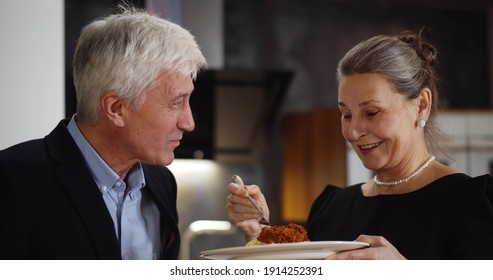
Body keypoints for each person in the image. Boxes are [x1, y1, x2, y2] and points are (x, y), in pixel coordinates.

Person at [226, 29, 493, 259]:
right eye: (346, 114)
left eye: (372, 112)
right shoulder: (332, 207)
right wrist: (261, 236)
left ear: (421, 105)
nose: (353, 131)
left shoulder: (471, 204)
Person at [0, 5, 206, 259]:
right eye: (176, 102)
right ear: (116, 108)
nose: (189, 123)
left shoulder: (162, 183)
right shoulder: (13, 180)